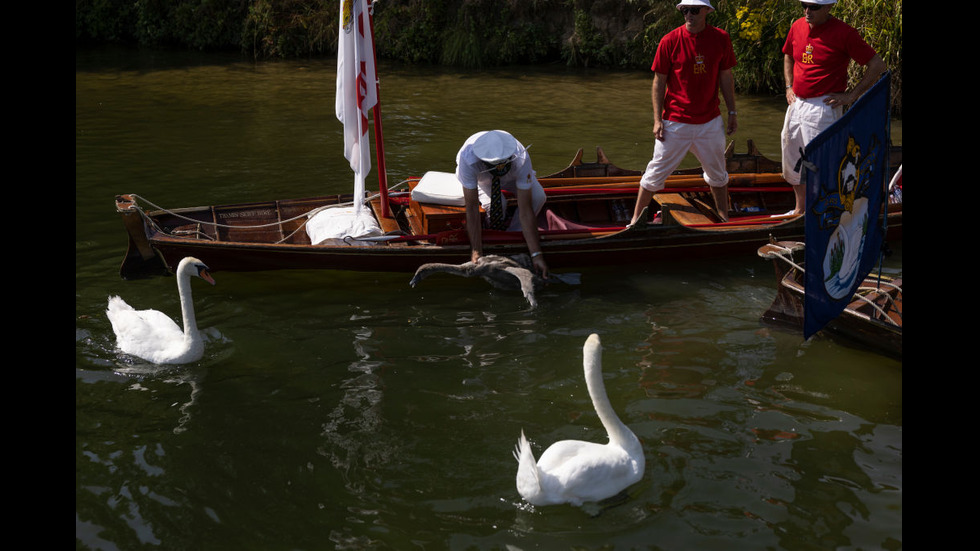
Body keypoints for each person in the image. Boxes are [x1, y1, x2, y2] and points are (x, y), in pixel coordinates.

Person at [630, 0, 737, 226]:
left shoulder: (721, 38)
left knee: (718, 174)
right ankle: (634, 221)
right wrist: (657, 120)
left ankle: (724, 218)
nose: (689, 14)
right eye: (685, 10)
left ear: (707, 11)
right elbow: (658, 82)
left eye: (695, 10)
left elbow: (726, 76)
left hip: (710, 121)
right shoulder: (670, 40)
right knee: (654, 173)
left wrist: (733, 112)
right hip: (675, 121)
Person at [781, 0, 887, 214]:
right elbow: (788, 55)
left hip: (824, 106)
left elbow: (877, 65)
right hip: (796, 102)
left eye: (814, 7)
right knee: (792, 156)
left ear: (829, 7)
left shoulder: (844, 33)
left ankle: (823, 213)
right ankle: (800, 209)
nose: (807, 11)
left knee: (823, 160)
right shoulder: (797, 25)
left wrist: (852, 96)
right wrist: (789, 86)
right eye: (805, 5)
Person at [455, 130, 549, 277]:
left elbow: (526, 209)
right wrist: (476, 251)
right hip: (483, 180)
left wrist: (537, 255)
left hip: (513, 176)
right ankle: (492, 229)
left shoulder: (521, 157)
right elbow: (472, 207)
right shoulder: (467, 158)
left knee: (539, 197)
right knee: (499, 206)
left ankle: (513, 235)